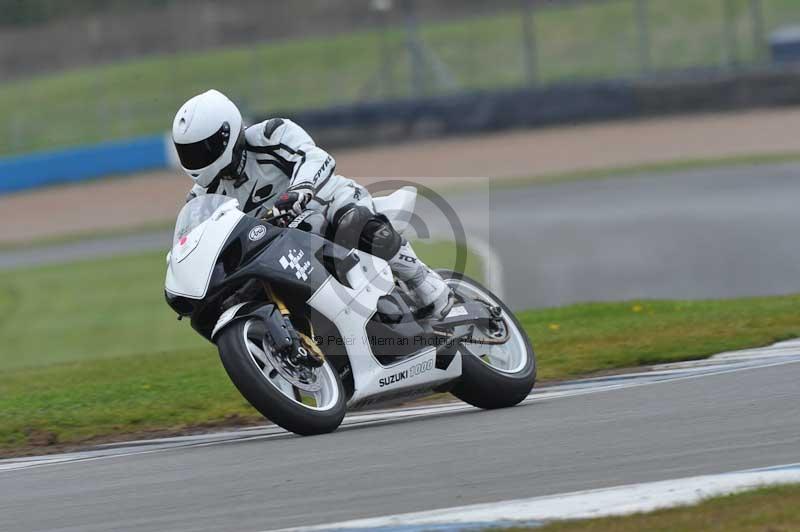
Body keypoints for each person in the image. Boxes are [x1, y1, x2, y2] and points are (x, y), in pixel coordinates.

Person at [172, 89, 452, 318]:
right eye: (189, 152)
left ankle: (421, 279)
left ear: (226, 134)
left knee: (353, 223)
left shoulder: (271, 134)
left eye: (202, 149)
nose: (197, 158)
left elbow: (317, 158)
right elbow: (196, 238)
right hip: (277, 245)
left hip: (326, 203)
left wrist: (297, 192)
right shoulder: (202, 195)